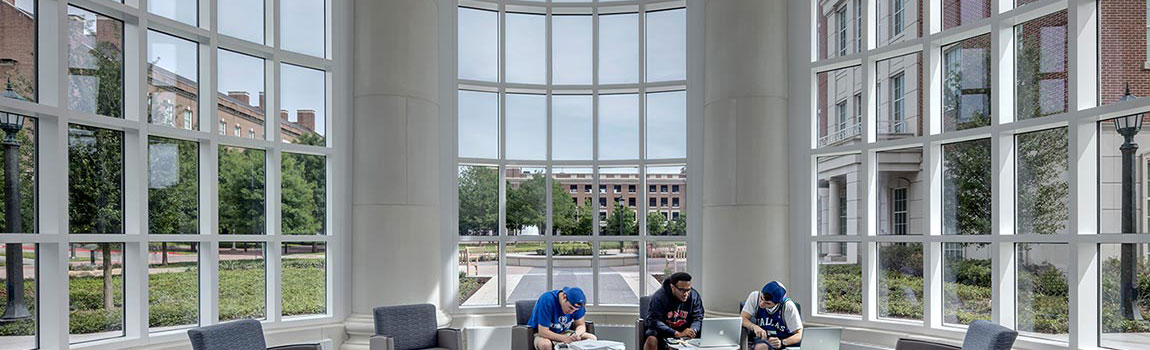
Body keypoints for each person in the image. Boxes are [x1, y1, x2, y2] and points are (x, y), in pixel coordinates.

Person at [643, 272, 704, 350]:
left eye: (688, 290)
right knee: (651, 340)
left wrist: (693, 330)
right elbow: (653, 321)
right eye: (682, 290)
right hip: (663, 333)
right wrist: (676, 333)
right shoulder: (659, 297)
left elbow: (698, 317)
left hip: (685, 333)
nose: (685, 294)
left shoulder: (694, 296)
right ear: (672, 287)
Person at [527, 286, 597, 350]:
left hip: (563, 332)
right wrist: (565, 339)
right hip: (541, 333)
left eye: (575, 310)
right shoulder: (547, 300)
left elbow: (581, 325)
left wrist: (576, 334)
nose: (571, 312)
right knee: (545, 344)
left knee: (591, 338)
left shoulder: (578, 305)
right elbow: (543, 332)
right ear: (564, 297)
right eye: (570, 308)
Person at [741, 281, 803, 350]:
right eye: (761, 298)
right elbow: (743, 318)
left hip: (784, 340)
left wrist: (782, 342)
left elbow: (799, 334)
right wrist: (753, 326)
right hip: (765, 340)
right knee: (760, 347)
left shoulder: (788, 306)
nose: (761, 304)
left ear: (778, 303)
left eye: (768, 303)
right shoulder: (754, 297)